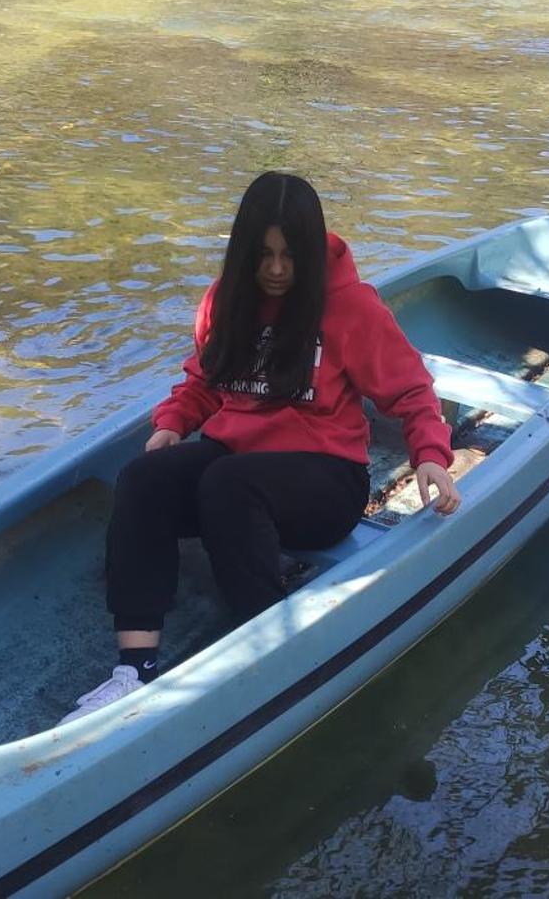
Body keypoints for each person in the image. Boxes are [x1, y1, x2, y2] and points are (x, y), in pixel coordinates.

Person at [63, 172, 461, 723]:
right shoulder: (225, 300)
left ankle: (269, 652)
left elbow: (412, 391)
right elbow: (204, 381)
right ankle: (135, 669)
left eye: (290, 256)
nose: (275, 269)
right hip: (238, 474)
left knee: (228, 483)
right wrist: (172, 425)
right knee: (144, 478)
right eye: (264, 255)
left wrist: (431, 457)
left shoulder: (351, 308)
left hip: (327, 482)